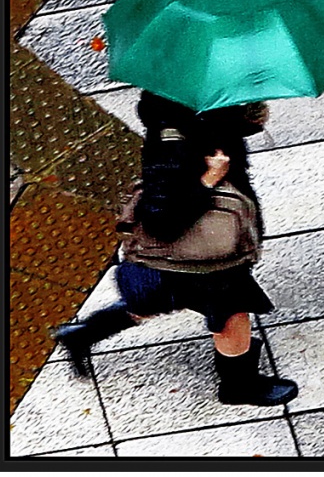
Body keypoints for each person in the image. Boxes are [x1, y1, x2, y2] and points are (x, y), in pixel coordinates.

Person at [53, 91, 298, 407]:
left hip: (190, 253)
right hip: (197, 256)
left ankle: (82, 334)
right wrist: (210, 179)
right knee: (232, 313)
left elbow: (222, 128)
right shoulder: (173, 145)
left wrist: (248, 115)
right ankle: (239, 386)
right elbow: (160, 219)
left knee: (154, 300)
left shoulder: (195, 112)